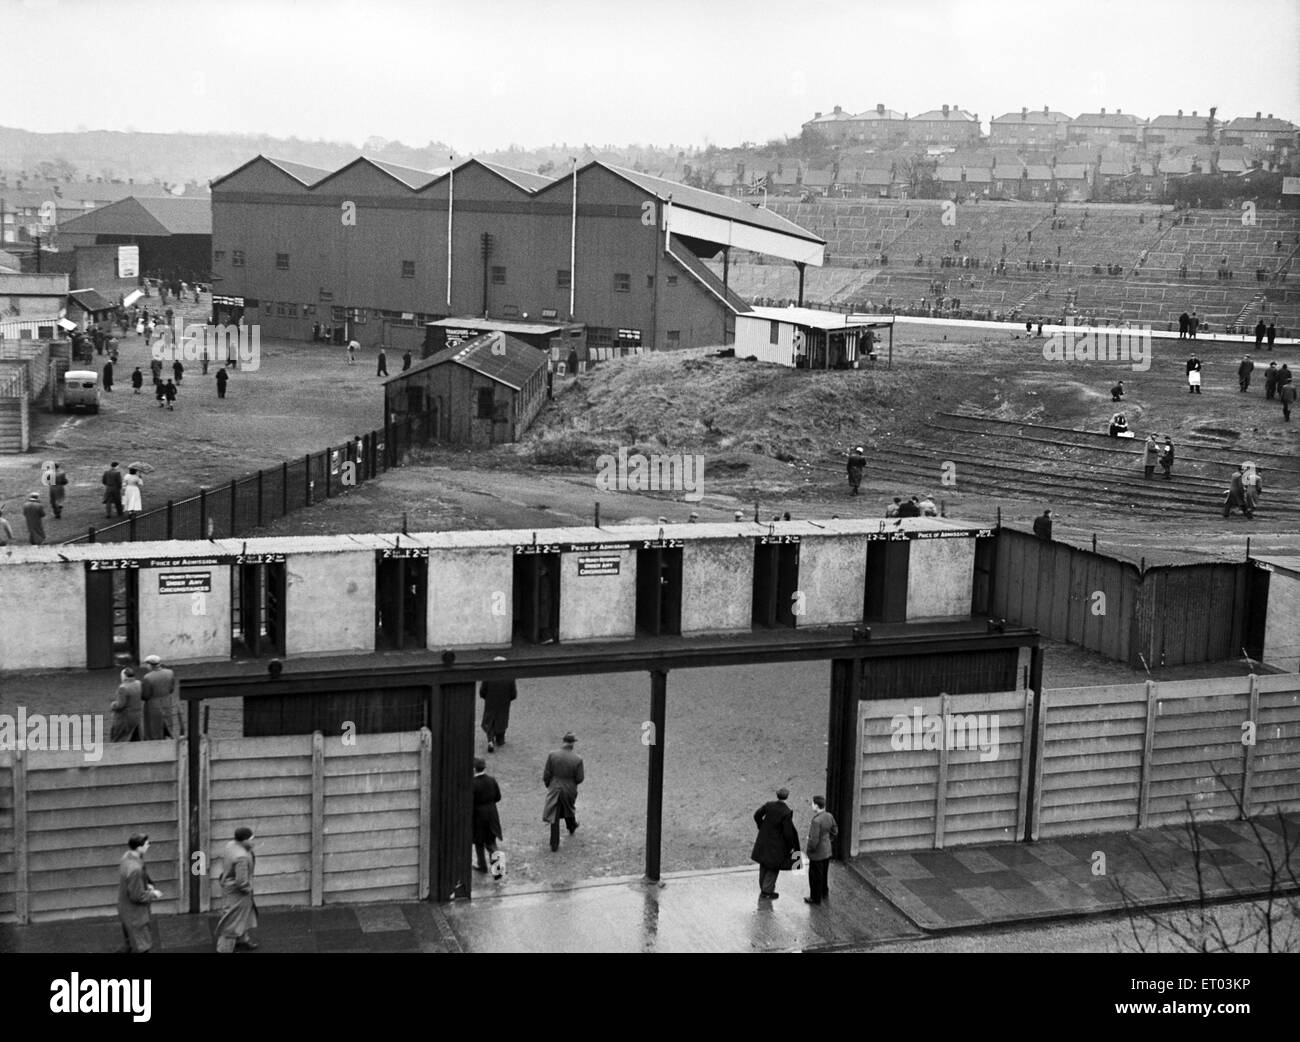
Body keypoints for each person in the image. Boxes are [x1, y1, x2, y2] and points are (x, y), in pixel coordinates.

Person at [215, 827, 259, 952]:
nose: (253, 841)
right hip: (238, 892)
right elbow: (241, 881)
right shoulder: (242, 857)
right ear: (243, 841)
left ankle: (242, 940)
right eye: (250, 839)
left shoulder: (231, 845)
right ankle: (224, 949)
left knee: (244, 916)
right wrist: (248, 889)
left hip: (229, 887)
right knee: (232, 921)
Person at [116, 834, 162, 953]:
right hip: (135, 914)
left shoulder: (127, 857)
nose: (149, 845)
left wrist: (147, 884)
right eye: (147, 843)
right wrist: (153, 894)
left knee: (130, 942)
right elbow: (137, 896)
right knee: (142, 945)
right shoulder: (135, 869)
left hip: (125, 909)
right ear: (139, 847)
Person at [751, 787, 799, 900]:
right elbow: (788, 832)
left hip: (764, 839)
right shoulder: (786, 812)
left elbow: (756, 815)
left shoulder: (769, 805)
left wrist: (761, 826)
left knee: (763, 863)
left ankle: (763, 887)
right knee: (773, 867)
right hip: (777, 844)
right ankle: (767, 891)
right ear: (787, 797)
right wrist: (791, 846)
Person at [542, 731, 584, 852]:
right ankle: (571, 826)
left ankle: (554, 843)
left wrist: (548, 784)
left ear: (563, 742)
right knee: (568, 807)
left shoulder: (552, 755)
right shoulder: (577, 759)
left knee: (554, 815)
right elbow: (579, 778)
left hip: (555, 786)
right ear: (572, 744)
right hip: (569, 788)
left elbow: (547, 773)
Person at [804, 795, 838, 906]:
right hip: (827, 849)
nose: (812, 805)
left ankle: (815, 897)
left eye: (813, 804)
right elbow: (835, 830)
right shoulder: (829, 816)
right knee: (824, 873)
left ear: (817, 806)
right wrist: (829, 840)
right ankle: (824, 892)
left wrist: (809, 848)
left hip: (817, 853)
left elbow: (814, 840)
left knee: (815, 876)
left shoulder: (816, 821)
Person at [471, 757, 503, 875]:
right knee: (491, 842)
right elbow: (498, 797)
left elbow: (470, 801)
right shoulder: (492, 780)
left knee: (478, 841)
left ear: (474, 769)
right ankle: (498, 870)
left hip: (478, 816)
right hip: (492, 813)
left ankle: (482, 866)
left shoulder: (472, 783)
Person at [140, 654, 181, 739]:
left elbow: (145, 695)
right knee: (168, 723)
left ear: (150, 665)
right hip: (167, 702)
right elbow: (171, 689)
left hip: (153, 705)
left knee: (153, 727)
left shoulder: (148, 677)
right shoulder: (170, 673)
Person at [479, 660, 516, 752]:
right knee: (502, 720)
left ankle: (490, 740)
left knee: (490, 720)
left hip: (491, 702)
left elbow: (482, 691)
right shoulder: (510, 677)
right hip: (504, 703)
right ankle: (500, 739)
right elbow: (513, 694)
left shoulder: (488, 676)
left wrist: (487, 698)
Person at [110, 667, 143, 742]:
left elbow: (120, 705)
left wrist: (113, 705)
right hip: (137, 716)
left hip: (125, 718)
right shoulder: (139, 683)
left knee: (119, 738)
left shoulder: (123, 688)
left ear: (124, 676)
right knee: (136, 738)